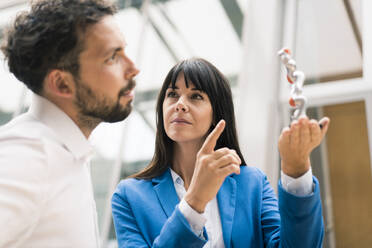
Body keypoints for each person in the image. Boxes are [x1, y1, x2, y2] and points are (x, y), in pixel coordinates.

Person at [111, 58, 330, 247]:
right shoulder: (129, 196)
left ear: (217, 113)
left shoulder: (252, 183)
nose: (180, 105)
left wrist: (296, 169)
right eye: (172, 94)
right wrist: (194, 201)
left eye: (195, 96)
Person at [0, 0, 139, 247]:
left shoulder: (65, 154)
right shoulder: (30, 155)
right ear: (63, 84)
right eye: (112, 57)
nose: (133, 69)